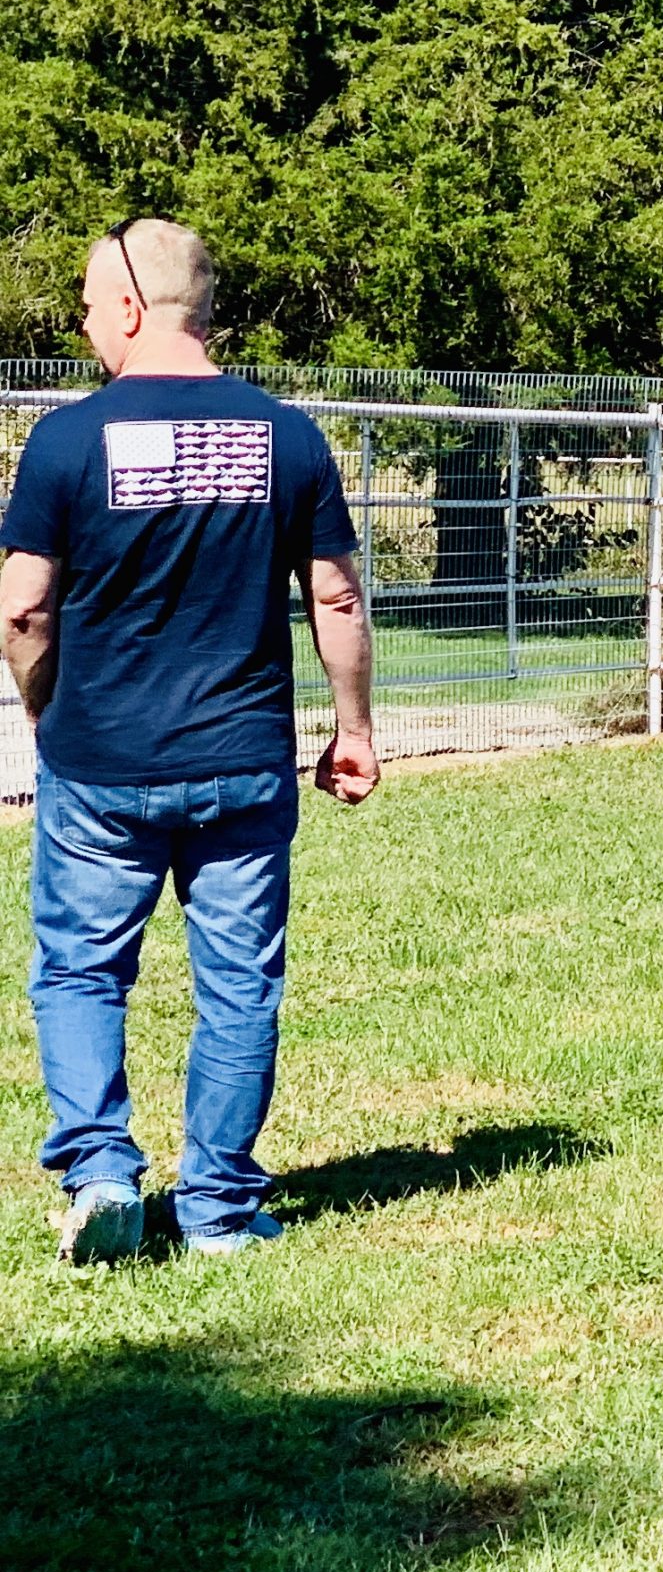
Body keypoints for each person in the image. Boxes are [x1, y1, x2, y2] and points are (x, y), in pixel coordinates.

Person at [0, 218, 379, 1262]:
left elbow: (24, 610)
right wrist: (354, 730)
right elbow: (336, 596)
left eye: (85, 308)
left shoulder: (67, 440)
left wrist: (44, 707)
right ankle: (217, 1208)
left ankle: (102, 1171)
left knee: (80, 971)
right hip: (243, 764)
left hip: (100, 768)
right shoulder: (287, 436)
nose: (83, 328)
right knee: (239, 983)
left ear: (129, 305)